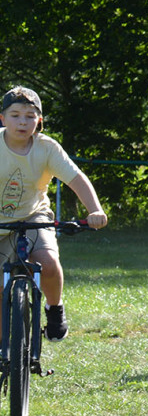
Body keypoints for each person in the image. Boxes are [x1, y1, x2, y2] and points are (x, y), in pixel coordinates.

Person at [0, 86, 108, 341]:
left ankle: (55, 308)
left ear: (39, 121)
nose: (22, 122)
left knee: (47, 263)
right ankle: (6, 350)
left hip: (33, 217)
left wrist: (95, 210)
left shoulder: (47, 148)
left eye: (30, 115)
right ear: (2, 119)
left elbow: (76, 179)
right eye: (15, 115)